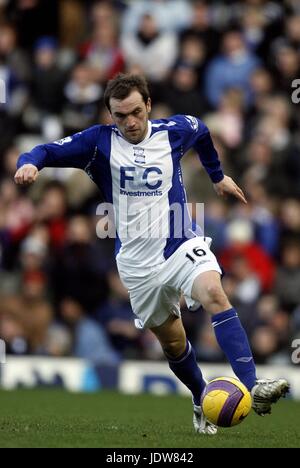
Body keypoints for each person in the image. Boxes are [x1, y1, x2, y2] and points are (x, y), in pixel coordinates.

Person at [14, 73, 289, 435]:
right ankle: (199, 396)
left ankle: (253, 385)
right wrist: (28, 162)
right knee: (173, 342)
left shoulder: (173, 131)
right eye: (119, 115)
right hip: (136, 263)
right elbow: (46, 150)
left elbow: (203, 131)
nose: (128, 122)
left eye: (134, 112)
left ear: (147, 105)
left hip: (179, 242)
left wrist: (217, 176)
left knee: (214, 292)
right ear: (110, 114)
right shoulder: (98, 143)